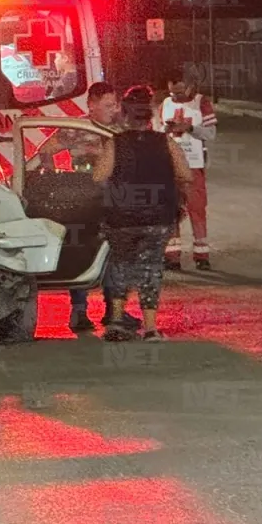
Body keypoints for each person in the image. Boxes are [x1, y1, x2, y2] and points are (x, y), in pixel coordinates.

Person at [27, 81, 140, 332]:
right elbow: (45, 151)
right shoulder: (76, 129)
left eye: (116, 104)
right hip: (84, 197)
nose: (114, 109)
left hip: (115, 197)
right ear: (92, 105)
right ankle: (79, 311)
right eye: (108, 105)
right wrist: (49, 174)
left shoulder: (122, 129)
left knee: (116, 254)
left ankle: (115, 311)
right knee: (81, 250)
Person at [91, 85, 192, 342]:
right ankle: (149, 329)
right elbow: (186, 175)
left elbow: (99, 176)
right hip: (157, 218)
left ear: (125, 114)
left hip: (121, 218)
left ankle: (115, 322)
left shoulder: (116, 143)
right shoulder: (165, 142)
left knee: (120, 264)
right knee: (151, 268)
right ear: (150, 116)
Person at [157, 71, 217, 271]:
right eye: (174, 93)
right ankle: (172, 257)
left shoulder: (201, 103)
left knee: (197, 210)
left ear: (190, 86)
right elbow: (157, 134)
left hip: (193, 167)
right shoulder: (164, 105)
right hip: (169, 167)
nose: (178, 97)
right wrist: (167, 129)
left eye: (182, 92)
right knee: (171, 212)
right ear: (169, 87)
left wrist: (189, 128)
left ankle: (202, 255)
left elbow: (210, 133)